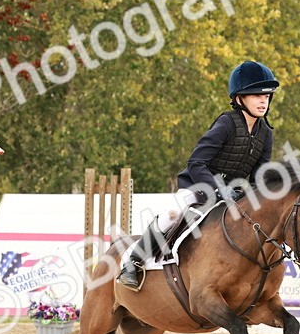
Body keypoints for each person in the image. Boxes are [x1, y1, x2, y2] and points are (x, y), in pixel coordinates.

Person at [117, 60, 279, 290]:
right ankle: (133, 263)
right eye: (256, 95)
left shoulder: (266, 134)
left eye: (267, 96)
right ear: (240, 98)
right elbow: (196, 162)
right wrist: (218, 189)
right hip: (199, 186)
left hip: (235, 194)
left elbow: (258, 176)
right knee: (173, 213)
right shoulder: (226, 124)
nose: (263, 100)